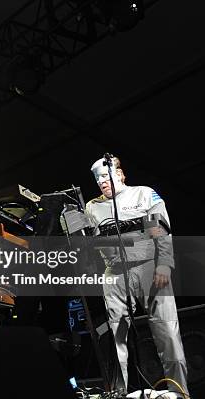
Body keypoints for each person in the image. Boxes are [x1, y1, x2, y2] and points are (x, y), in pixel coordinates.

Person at [85, 155, 189, 396]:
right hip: (114, 273)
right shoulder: (92, 207)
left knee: (167, 334)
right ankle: (119, 393)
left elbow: (161, 229)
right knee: (116, 337)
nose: (102, 182)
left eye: (106, 176)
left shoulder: (143, 193)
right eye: (98, 180)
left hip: (148, 267)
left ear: (120, 174)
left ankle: (181, 393)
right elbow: (88, 241)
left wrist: (164, 263)